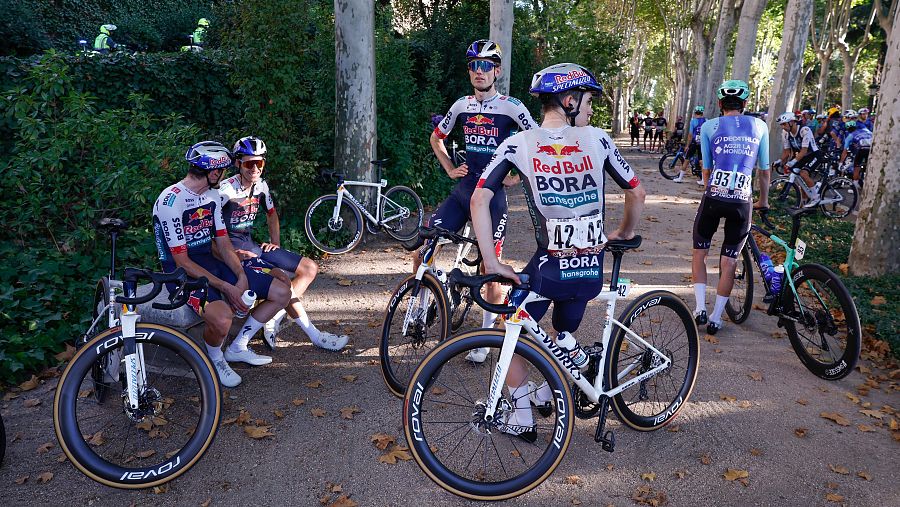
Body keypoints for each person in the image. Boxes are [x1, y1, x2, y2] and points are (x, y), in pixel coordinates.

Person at [472, 62, 645, 439]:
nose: (591, 110)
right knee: (563, 328)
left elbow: (479, 199)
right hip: (590, 272)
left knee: (511, 329)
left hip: (549, 271)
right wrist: (624, 232)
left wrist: (492, 261)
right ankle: (574, 358)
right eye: (588, 101)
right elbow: (636, 192)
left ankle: (522, 412)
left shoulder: (518, 144)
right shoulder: (599, 139)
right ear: (569, 100)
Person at [426, 39, 536, 363]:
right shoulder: (461, 105)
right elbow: (437, 137)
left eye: (486, 65)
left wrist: (517, 176)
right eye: (474, 65)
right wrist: (449, 168)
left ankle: (486, 339)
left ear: (496, 71)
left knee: (491, 267)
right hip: (464, 190)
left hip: (491, 197)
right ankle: (420, 308)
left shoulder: (512, 107)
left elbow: (538, 144)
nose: (479, 71)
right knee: (424, 247)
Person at [153, 142, 292, 387]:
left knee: (282, 291)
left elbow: (224, 243)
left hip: (211, 260)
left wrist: (241, 275)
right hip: (181, 272)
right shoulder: (171, 201)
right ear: (213, 171)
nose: (225, 175)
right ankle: (215, 359)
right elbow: (182, 261)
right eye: (223, 170)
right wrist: (227, 287)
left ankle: (238, 347)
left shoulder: (212, 195)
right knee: (222, 318)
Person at [218, 136, 349, 351]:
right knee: (282, 281)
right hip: (235, 253)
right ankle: (314, 335)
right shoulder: (225, 191)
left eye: (259, 163)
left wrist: (275, 243)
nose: (255, 169)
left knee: (309, 268)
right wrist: (232, 254)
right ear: (238, 163)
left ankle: (274, 316)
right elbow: (210, 230)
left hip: (253, 247)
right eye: (249, 164)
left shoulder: (261, 185)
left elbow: (271, 214)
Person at [691, 80, 770, 335]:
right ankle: (716, 318)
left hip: (714, 197)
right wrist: (764, 201)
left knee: (700, 253)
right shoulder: (760, 125)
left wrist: (711, 190)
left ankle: (700, 309)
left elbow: (706, 169)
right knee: (729, 261)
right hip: (742, 201)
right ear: (745, 103)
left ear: (720, 103)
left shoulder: (709, 126)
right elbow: (764, 171)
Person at [777, 112, 824, 207]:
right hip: (802, 157)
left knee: (803, 173)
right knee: (798, 176)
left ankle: (816, 197)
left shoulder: (804, 130)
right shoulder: (785, 134)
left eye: (784, 124)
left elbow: (804, 150)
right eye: (781, 125)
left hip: (813, 155)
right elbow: (786, 151)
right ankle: (804, 202)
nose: (783, 127)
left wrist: (792, 162)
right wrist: (779, 161)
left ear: (792, 122)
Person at [673, 106, 706, 183]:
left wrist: (687, 145)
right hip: (702, 143)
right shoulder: (706, 121)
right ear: (702, 113)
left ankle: (680, 178)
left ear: (695, 113)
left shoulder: (693, 121)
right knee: (702, 161)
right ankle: (703, 180)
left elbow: (690, 135)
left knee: (687, 160)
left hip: (694, 143)